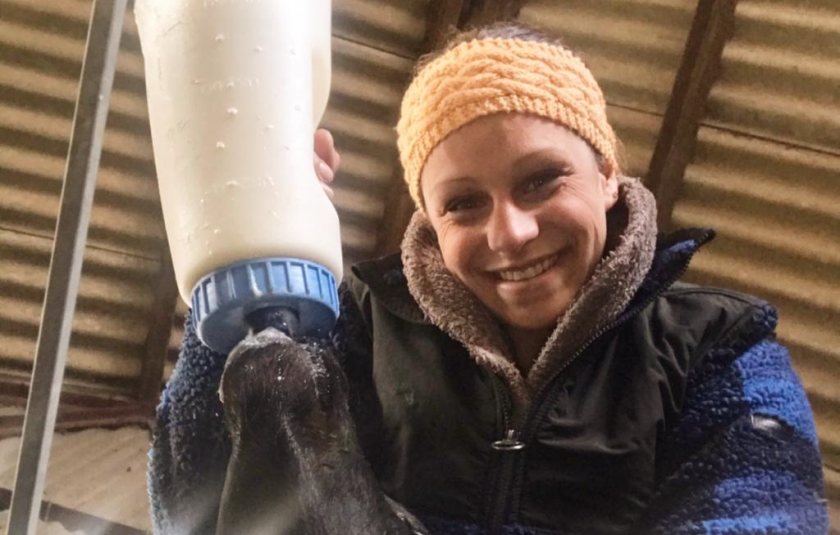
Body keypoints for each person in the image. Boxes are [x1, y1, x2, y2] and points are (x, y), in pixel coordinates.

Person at [147, 22, 828, 534]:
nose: (511, 232)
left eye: (541, 180)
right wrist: (253, 265)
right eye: (464, 203)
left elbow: (761, 505)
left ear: (607, 174)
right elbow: (196, 500)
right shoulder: (353, 325)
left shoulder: (721, 345)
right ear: (430, 220)